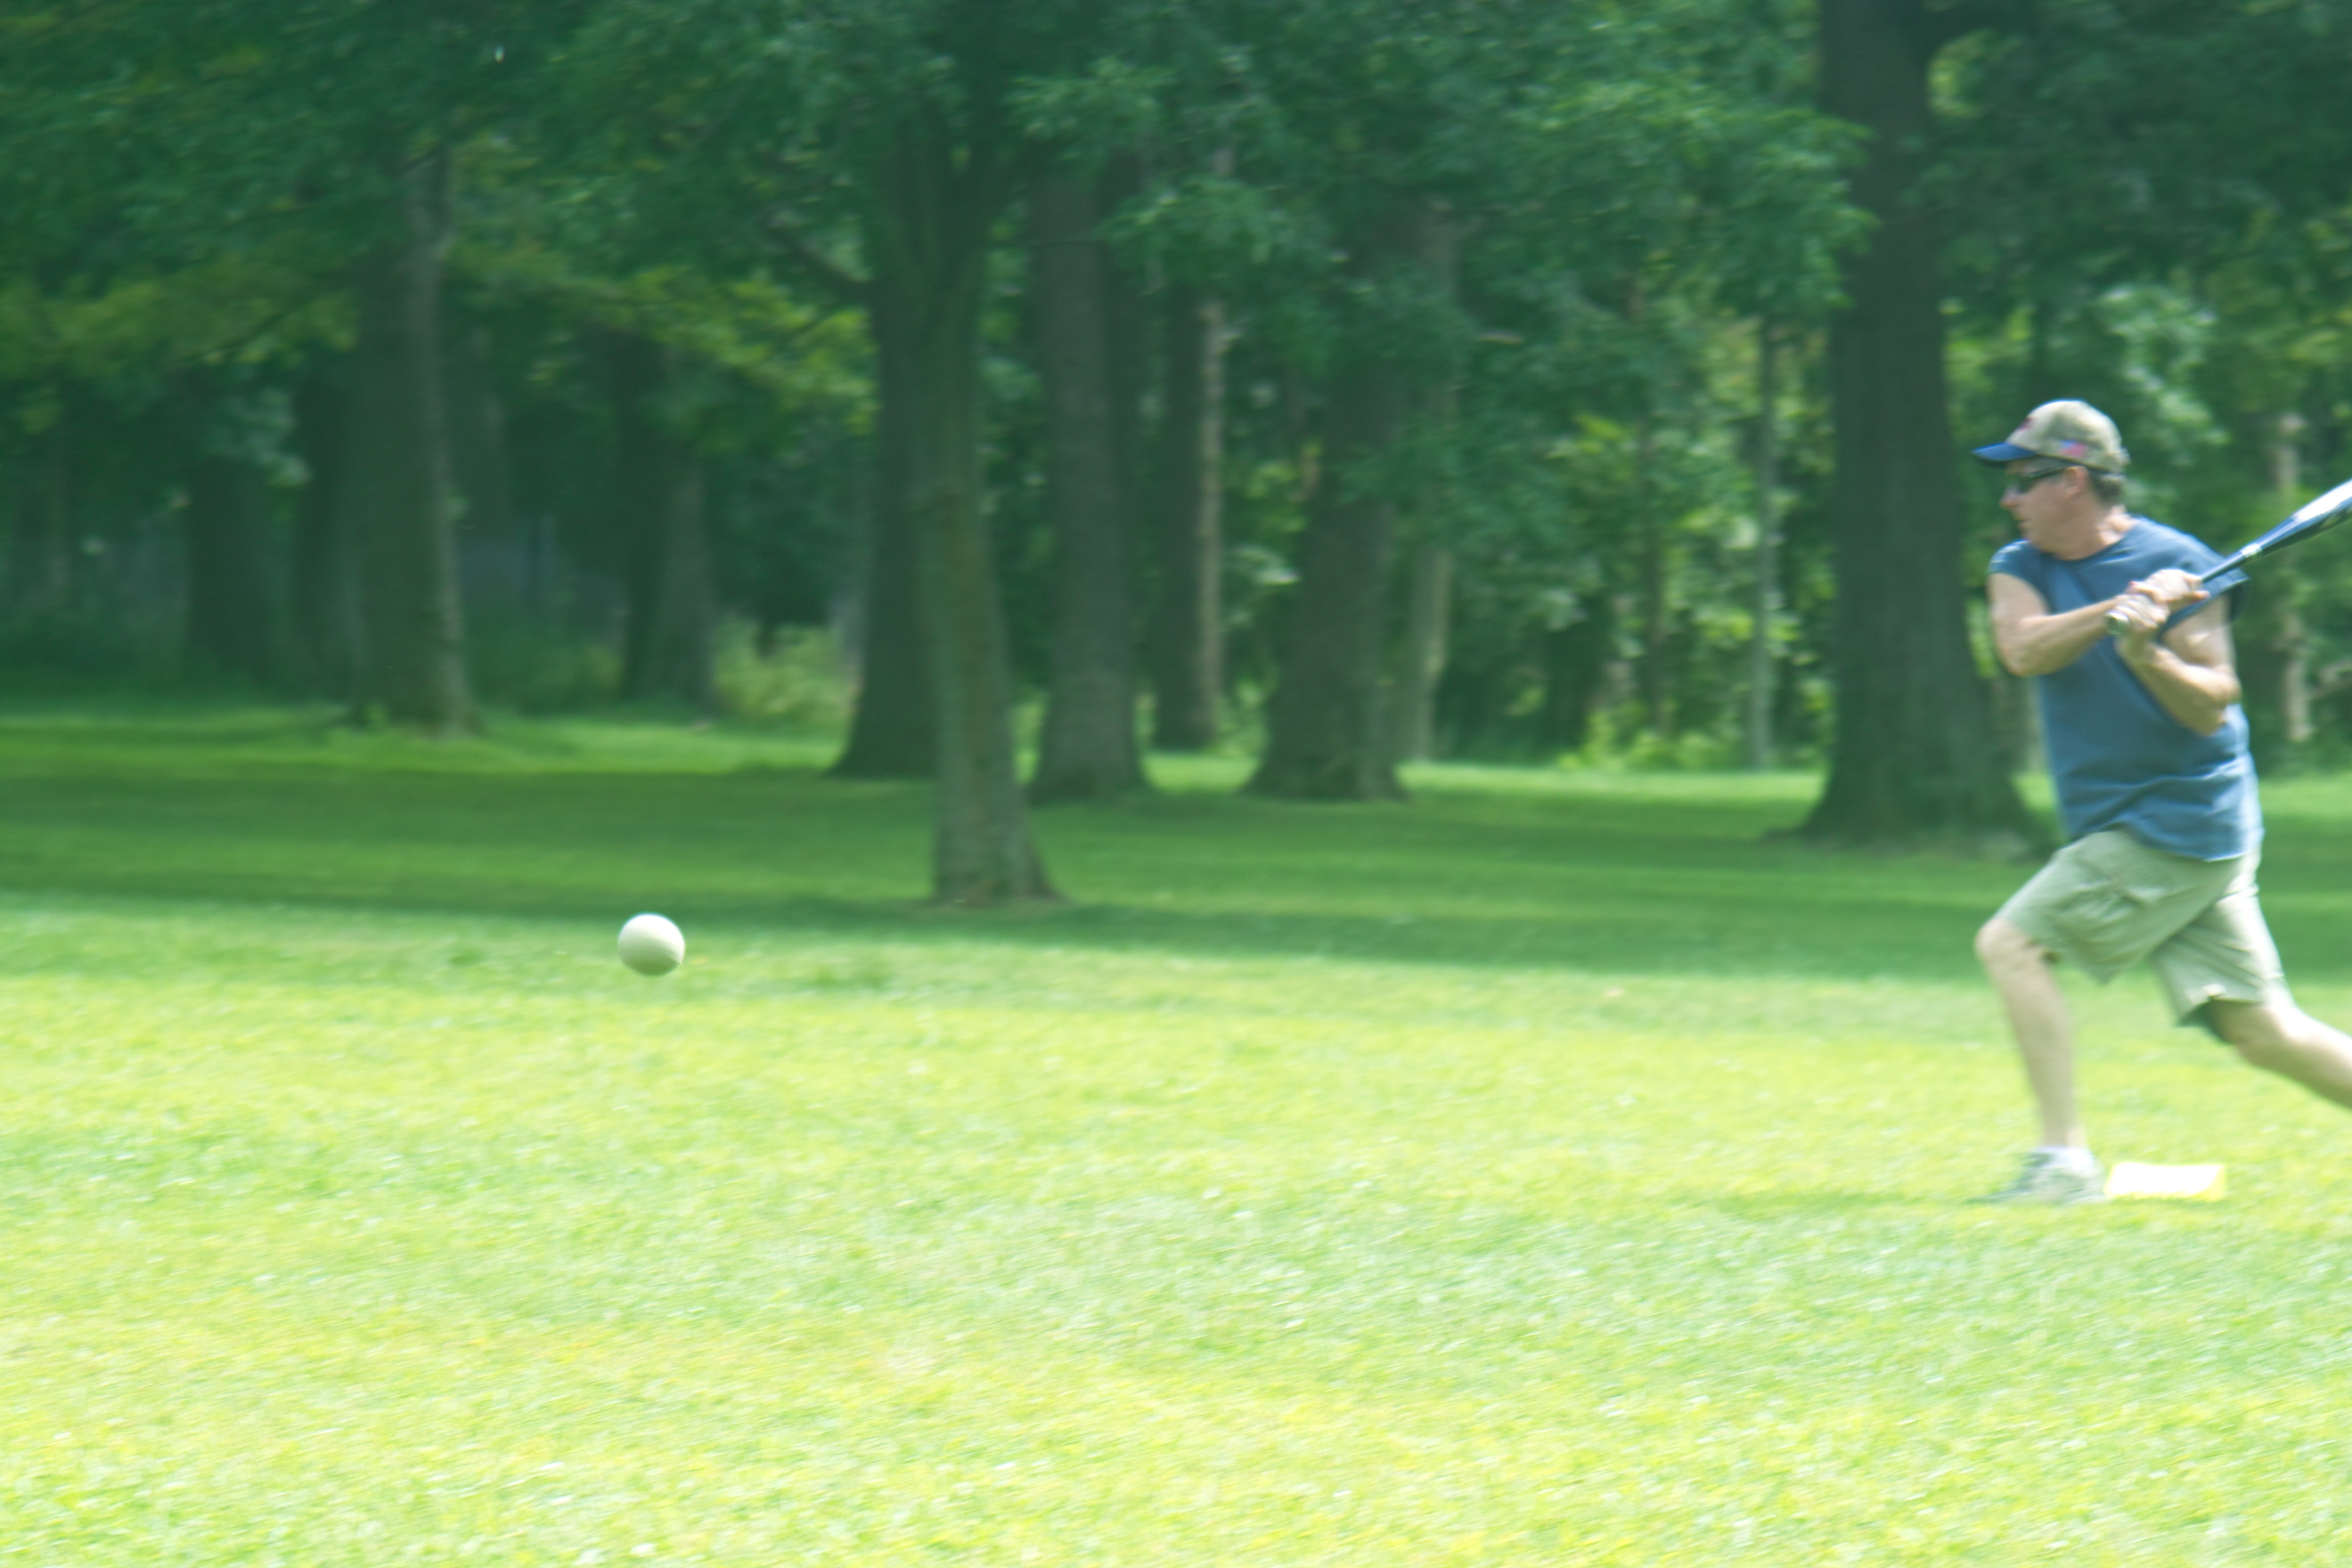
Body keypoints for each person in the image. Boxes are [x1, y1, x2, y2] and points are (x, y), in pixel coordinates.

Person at [1970, 399, 2352, 1204]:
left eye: (2023, 479)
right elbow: (2022, 650)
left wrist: (2148, 653)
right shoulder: (2020, 565)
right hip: (2138, 827)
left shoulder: (2185, 564)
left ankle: (2063, 1163)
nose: (2008, 498)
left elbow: (2212, 704)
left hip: (2178, 821)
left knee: (2012, 946)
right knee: (2264, 1032)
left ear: (2072, 481)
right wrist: (2114, 612)